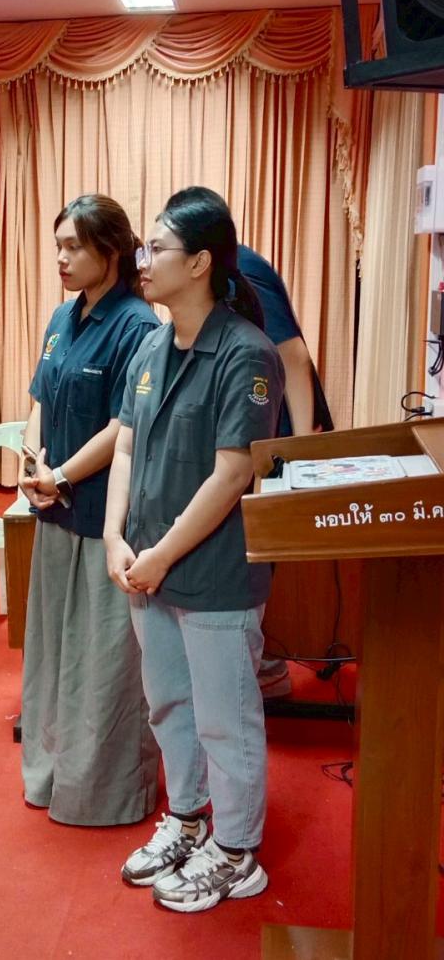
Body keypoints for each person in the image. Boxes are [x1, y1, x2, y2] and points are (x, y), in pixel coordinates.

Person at [104, 187, 285, 911]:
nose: (143, 261)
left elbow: (232, 472)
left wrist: (159, 554)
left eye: (156, 248)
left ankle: (237, 851)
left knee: (225, 717)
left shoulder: (247, 354)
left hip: (212, 573)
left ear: (202, 262)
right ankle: (187, 818)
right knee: (170, 705)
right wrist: (116, 536)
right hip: (146, 566)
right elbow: (125, 445)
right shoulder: (151, 347)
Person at [19, 193, 161, 826]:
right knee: (53, 655)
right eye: (58, 246)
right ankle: (51, 774)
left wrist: (61, 476)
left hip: (105, 517)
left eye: (74, 247)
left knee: (101, 663)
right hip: (53, 510)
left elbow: (122, 428)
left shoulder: (139, 327)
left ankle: (104, 792)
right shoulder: (62, 317)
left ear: (111, 251)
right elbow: (39, 399)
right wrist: (33, 465)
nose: (62, 258)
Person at [187, 188, 334, 699]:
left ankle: (262, 669)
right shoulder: (211, 278)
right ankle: (259, 665)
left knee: (249, 552)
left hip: (277, 430)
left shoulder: (244, 269)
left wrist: (301, 449)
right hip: (251, 426)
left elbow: (293, 356)